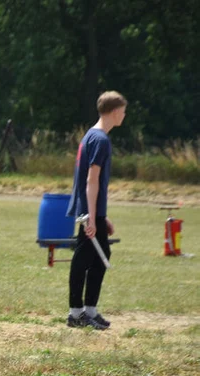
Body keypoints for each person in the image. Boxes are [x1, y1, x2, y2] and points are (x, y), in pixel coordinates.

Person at [65, 91, 127, 331]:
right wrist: (92, 215)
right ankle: (76, 313)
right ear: (114, 111)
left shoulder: (90, 136)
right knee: (83, 260)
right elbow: (92, 179)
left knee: (99, 259)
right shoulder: (100, 139)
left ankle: (88, 311)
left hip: (92, 210)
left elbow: (90, 183)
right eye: (123, 111)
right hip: (88, 211)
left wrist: (101, 215)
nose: (124, 116)